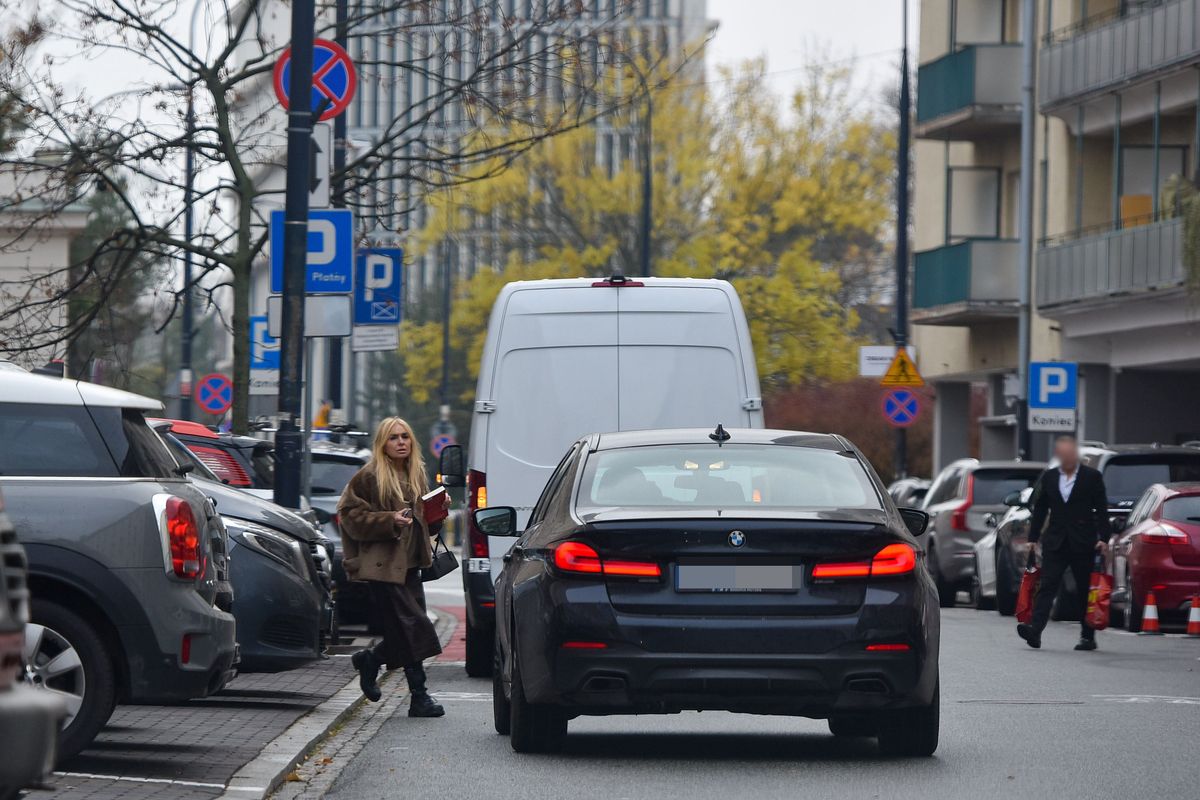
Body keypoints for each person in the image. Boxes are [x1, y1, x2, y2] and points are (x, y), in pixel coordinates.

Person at [337, 417, 448, 716]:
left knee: (405, 631)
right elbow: (348, 515)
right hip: (383, 567)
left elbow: (427, 527)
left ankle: (371, 660)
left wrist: (438, 510)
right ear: (382, 444)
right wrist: (388, 521)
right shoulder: (370, 476)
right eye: (393, 438)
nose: (401, 442)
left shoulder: (416, 474)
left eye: (405, 437)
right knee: (415, 627)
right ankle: (420, 695)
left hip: (411, 566)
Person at [1017, 434, 1110, 651]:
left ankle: (1087, 636)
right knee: (1048, 586)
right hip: (1056, 541)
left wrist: (1104, 538)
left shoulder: (1092, 477)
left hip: (1083, 542)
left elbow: (1102, 510)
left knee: (1084, 589)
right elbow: (1040, 509)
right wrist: (1033, 538)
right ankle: (1035, 630)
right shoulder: (1049, 477)